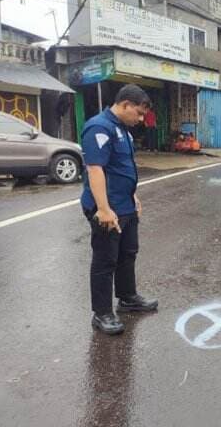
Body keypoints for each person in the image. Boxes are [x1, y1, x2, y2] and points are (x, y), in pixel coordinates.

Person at [80, 84, 158, 335]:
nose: (141, 118)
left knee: (128, 253)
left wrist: (132, 195)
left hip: (125, 205)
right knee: (105, 260)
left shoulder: (123, 130)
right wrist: (103, 209)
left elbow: (122, 167)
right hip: (107, 208)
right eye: (138, 112)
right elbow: (95, 169)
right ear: (125, 105)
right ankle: (101, 314)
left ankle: (127, 298)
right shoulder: (99, 127)